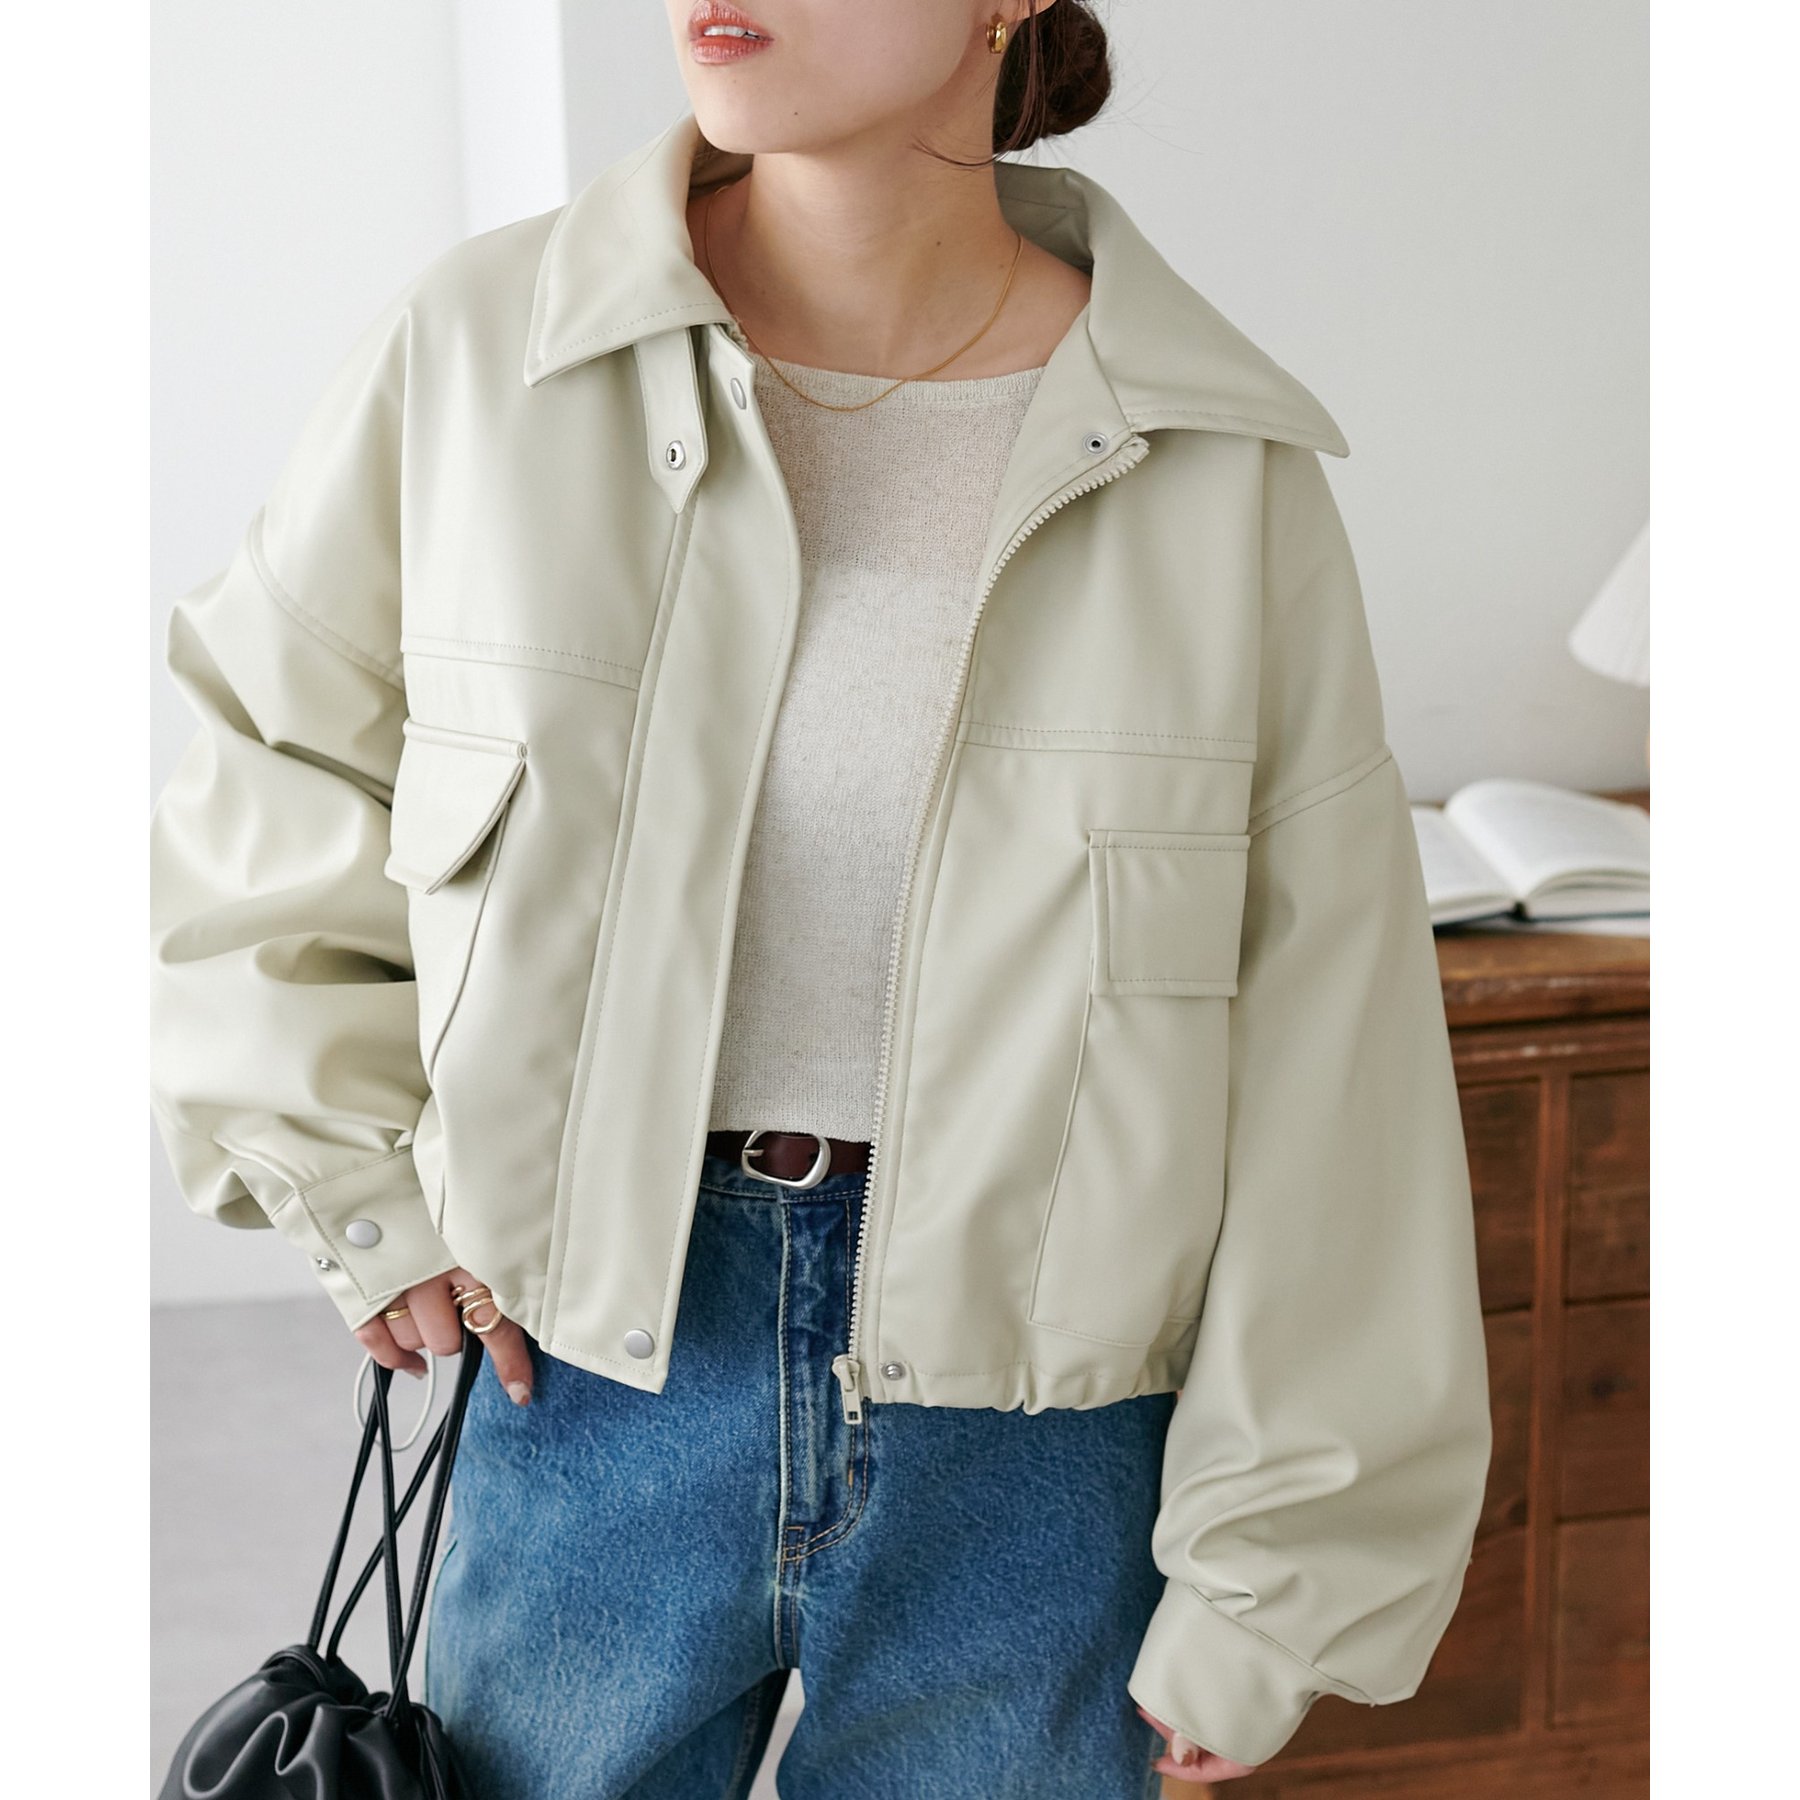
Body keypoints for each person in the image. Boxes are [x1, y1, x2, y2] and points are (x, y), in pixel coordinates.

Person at [149, 3, 1494, 1795]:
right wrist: (348, 1178)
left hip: (1038, 1441)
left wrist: (1277, 1582)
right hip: (584, 1366)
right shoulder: (486, 354)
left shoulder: (1214, 462)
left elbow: (1335, 1053)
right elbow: (272, 755)